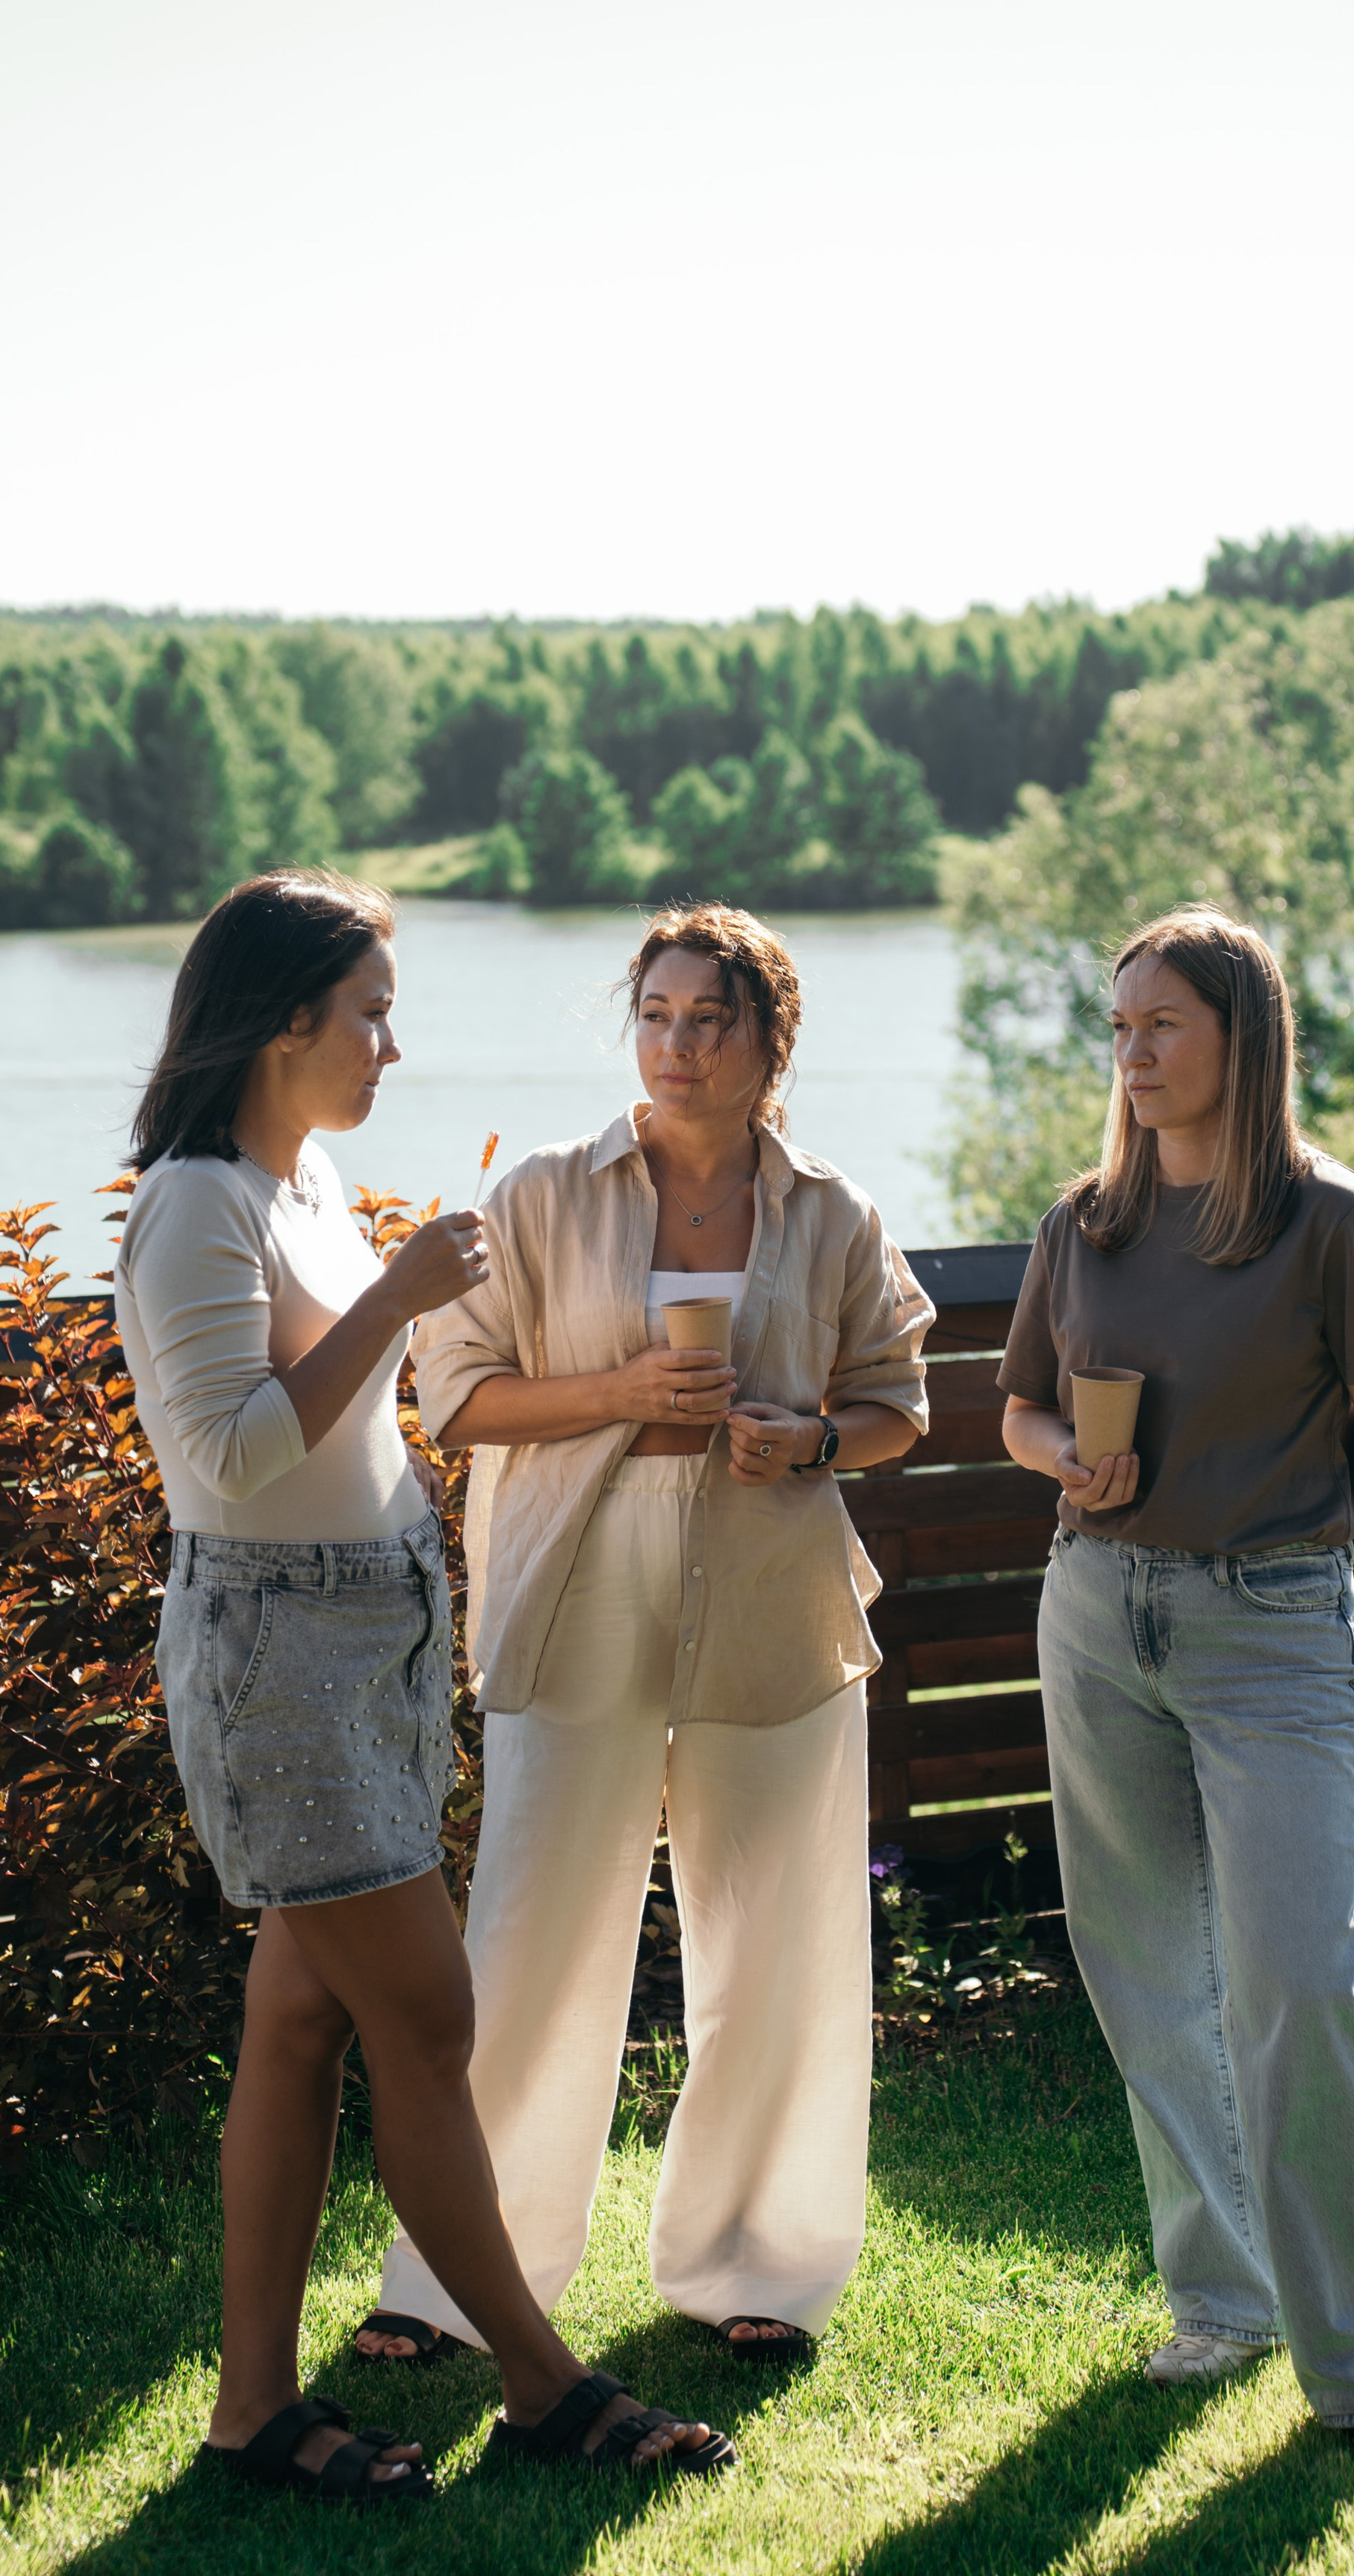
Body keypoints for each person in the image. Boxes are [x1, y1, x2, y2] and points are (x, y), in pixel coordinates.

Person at [117, 868, 732, 2507]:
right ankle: (542, 2381)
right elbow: (235, 1461)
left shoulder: (304, 1181)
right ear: (281, 1021)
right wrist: (397, 1296)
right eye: (371, 1011)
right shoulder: (197, 1203)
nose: (392, 1043)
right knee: (427, 2012)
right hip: (280, 1654)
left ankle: (253, 2412)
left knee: (302, 2019)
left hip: (363, 1634)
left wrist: (384, 1287)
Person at [361, 901, 933, 2374]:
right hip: (574, 1599)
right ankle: (449, 2284)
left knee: (780, 1945)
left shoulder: (832, 1213)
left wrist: (808, 1439)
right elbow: (458, 1398)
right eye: (657, 1014)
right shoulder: (546, 1194)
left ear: (768, 1043)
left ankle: (758, 2262)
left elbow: (896, 1405)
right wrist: (622, 1392)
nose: (676, 1044)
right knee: (533, 1945)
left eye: (710, 1019)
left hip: (775, 1606)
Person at [999, 906, 1354, 2476]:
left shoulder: (1330, 1224)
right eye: (1117, 1027)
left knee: (1291, 1978)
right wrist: (1070, 1460)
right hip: (1094, 1609)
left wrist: (1273, 1540)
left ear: (1240, 1038)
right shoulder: (1084, 1221)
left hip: (1271, 1626)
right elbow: (1015, 1412)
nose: (1129, 1056)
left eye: (1160, 1027)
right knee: (1144, 1970)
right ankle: (1222, 2298)